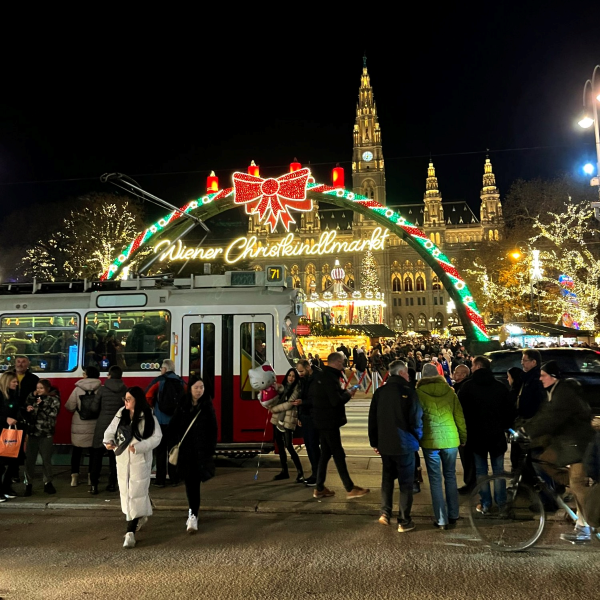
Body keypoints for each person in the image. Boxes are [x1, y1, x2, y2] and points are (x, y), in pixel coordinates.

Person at [525, 361, 595, 544]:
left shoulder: (563, 393)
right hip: (570, 443)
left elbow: (550, 417)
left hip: (579, 444)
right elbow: (544, 414)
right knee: (544, 461)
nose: (540, 379)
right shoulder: (555, 391)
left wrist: (527, 431)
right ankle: (583, 523)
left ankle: (586, 526)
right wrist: (525, 426)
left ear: (553, 377)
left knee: (578, 485)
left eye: (543, 375)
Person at [103, 386, 162, 548]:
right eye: (125, 399)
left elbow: (157, 437)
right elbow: (110, 431)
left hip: (139, 459)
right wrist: (108, 442)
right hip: (122, 459)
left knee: (136, 492)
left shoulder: (148, 415)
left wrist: (140, 447)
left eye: (129, 399)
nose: (126, 402)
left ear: (137, 400)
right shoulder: (121, 413)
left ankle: (130, 532)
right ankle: (139, 517)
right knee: (127, 493)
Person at [369, 360, 423, 532]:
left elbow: (373, 419)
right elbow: (416, 419)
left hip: (385, 444)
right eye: (407, 373)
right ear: (401, 373)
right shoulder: (409, 392)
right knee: (406, 483)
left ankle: (385, 513)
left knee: (387, 479)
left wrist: (375, 442)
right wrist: (417, 438)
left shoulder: (380, 392)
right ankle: (404, 520)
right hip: (405, 444)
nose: (408, 376)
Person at [457, 356, 514, 515]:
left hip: (476, 437)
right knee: (498, 471)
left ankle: (486, 503)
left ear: (477, 366)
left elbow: (461, 412)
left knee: (481, 472)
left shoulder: (467, 387)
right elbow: (509, 411)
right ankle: (501, 503)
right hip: (496, 436)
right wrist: (504, 426)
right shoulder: (500, 386)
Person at [311, 352, 369, 499]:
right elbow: (335, 401)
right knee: (338, 453)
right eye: (342, 362)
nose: (344, 365)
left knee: (325, 454)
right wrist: (348, 394)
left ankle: (319, 487)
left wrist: (346, 391)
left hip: (321, 420)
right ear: (336, 362)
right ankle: (349, 488)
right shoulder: (330, 378)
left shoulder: (323, 375)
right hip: (329, 421)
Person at [416, 362, 466, 529]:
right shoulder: (450, 392)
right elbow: (459, 416)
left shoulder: (418, 394)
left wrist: (417, 438)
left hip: (431, 441)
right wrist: (463, 437)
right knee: (450, 477)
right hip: (451, 440)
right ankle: (454, 514)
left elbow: (416, 419)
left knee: (435, 480)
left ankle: (441, 519)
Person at [168, 378, 217, 533]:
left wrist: (209, 449)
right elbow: (173, 427)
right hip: (186, 453)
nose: (199, 390)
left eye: (201, 387)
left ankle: (193, 514)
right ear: (190, 389)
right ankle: (193, 514)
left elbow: (213, 430)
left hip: (200, 453)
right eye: (196, 387)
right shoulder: (182, 405)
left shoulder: (207, 406)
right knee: (190, 484)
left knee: (194, 484)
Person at [146, 359, 187, 488]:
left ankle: (160, 480)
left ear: (164, 369)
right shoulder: (180, 381)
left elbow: (148, 395)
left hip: (161, 421)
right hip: (175, 422)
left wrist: (154, 408)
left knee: (160, 451)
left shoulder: (159, 381)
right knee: (173, 449)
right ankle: (175, 478)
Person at [90, 365, 127, 494]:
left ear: (110, 376)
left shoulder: (102, 390)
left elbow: (94, 408)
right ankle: (112, 484)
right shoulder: (125, 390)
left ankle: (94, 485)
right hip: (118, 426)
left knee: (97, 456)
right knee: (114, 456)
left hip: (102, 425)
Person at [65, 366, 102, 487]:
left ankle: (74, 478)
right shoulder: (101, 389)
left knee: (77, 451)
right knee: (94, 452)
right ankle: (91, 477)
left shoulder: (77, 389)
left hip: (79, 424)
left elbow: (70, 406)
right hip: (95, 424)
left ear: (86, 375)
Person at [24, 379, 61, 496]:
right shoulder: (32, 399)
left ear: (47, 389)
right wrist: (29, 410)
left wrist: (42, 405)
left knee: (46, 460)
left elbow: (53, 414)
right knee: (29, 460)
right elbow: (25, 407)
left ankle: (48, 483)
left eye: (41, 388)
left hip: (46, 433)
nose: (39, 390)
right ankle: (28, 484)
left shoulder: (54, 400)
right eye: (37, 388)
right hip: (32, 433)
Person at [269, 368, 304, 482]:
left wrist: (273, 409)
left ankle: (300, 472)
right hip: (278, 419)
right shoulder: (283, 388)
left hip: (288, 420)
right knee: (279, 445)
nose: (291, 378)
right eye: (289, 375)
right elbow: (276, 393)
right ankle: (284, 471)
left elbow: (289, 404)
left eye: (293, 376)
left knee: (289, 445)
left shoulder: (296, 388)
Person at [296, 359, 320, 486]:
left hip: (313, 417)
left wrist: (302, 403)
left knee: (313, 446)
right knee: (310, 446)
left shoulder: (316, 378)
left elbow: (316, 399)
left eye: (301, 371)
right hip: (306, 416)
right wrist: (300, 416)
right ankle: (316, 473)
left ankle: (317, 475)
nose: (300, 373)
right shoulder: (305, 379)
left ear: (308, 367)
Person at [0, 372, 22, 500]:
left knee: (12, 461)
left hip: (11, 432)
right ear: (7, 381)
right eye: (14, 381)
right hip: (2, 432)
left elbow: (16, 410)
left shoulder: (13, 396)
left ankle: (6, 487)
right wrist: (5, 419)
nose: (16, 383)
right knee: (1, 463)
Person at [452, 364, 473, 493]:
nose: (454, 374)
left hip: (466, 428)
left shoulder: (464, 388)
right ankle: (470, 482)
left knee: (468, 458)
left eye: (457, 372)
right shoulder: (460, 387)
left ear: (464, 375)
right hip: (465, 427)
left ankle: (470, 483)